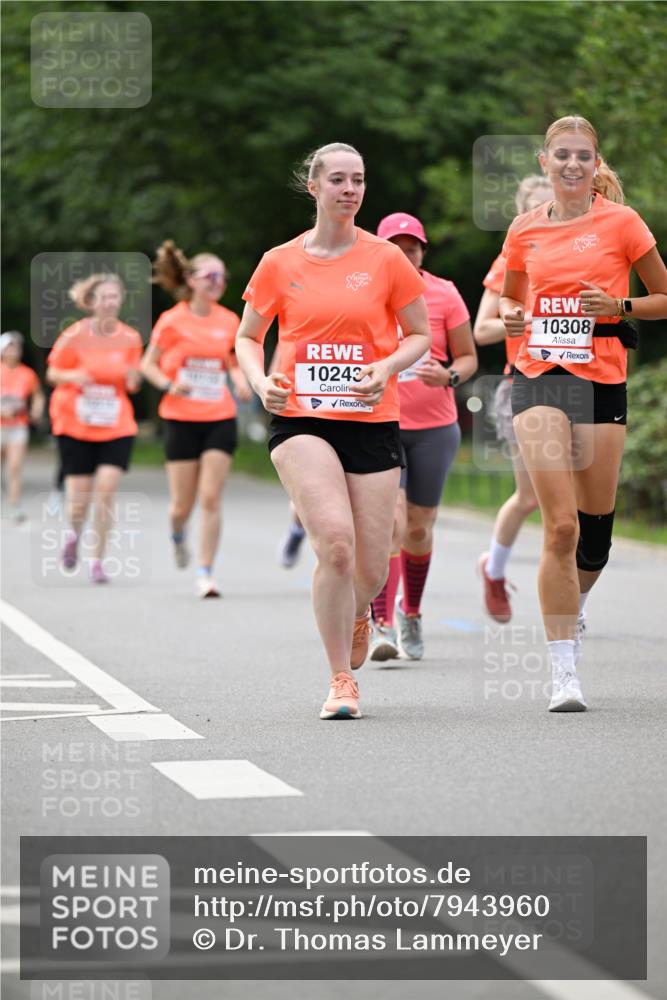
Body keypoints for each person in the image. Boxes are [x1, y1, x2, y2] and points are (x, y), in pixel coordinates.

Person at [236, 142, 430, 719]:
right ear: (314, 187)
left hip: (371, 417)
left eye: (359, 180)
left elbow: (417, 334)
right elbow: (248, 336)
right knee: (336, 546)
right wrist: (258, 381)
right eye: (339, 180)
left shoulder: (386, 260)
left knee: (369, 569)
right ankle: (340, 680)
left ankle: (363, 609)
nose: (350, 190)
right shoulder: (279, 262)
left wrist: (386, 366)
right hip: (301, 417)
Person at [500, 115, 667, 712]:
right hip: (540, 377)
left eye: (583, 156)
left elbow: (662, 297)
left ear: (596, 166)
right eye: (561, 155)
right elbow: (510, 297)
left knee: (594, 537)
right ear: (544, 163)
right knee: (561, 527)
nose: (572, 165)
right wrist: (512, 317)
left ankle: (577, 604)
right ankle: (563, 672)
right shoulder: (523, 229)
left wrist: (619, 304)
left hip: (602, 380)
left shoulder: (622, 223)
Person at [368, 213, 477, 661]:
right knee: (388, 525)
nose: (405, 252)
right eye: (396, 245)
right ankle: (382, 625)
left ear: (423, 250)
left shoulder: (444, 292)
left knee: (418, 528)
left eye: (413, 246)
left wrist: (447, 375)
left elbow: (468, 358)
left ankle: (411, 611)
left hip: (434, 427)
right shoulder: (366, 292)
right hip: (381, 423)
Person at [141, 241, 252, 598]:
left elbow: (233, 362)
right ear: (192, 279)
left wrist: (240, 382)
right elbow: (148, 365)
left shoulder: (229, 319)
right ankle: (177, 533)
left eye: (222, 277)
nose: (218, 282)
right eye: (211, 276)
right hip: (180, 418)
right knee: (181, 506)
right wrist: (172, 384)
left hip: (218, 416)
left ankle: (205, 572)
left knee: (210, 498)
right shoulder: (172, 321)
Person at [473, 176, 552, 622]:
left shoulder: (582, 252)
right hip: (519, 383)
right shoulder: (511, 259)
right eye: (537, 209)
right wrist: (516, 322)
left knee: (575, 497)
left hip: (574, 385)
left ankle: (567, 598)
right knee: (530, 497)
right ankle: (495, 569)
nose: (547, 215)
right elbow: (481, 330)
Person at [46, 274, 142, 583]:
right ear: (91, 302)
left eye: (115, 296)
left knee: (106, 489)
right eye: (104, 297)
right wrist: (74, 377)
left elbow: (133, 380)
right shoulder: (74, 335)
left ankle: (97, 561)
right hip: (75, 423)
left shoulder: (130, 338)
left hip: (116, 424)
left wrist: (134, 379)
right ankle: (73, 534)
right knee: (79, 499)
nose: (110, 302)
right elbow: (53, 373)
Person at [0, 331, 45, 522]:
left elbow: (38, 395)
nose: (14, 351)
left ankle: (14, 505)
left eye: (17, 347)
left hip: (18, 425)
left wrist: (37, 409)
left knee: (15, 466)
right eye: (10, 347)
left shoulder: (28, 374)